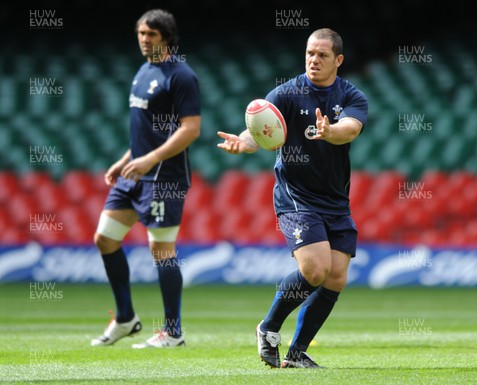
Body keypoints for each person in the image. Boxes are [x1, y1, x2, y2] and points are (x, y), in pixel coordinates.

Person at [217, 28, 368, 368]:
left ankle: (297, 353)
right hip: (296, 197)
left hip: (335, 200)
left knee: (336, 277)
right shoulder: (286, 93)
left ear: (338, 60)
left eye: (322, 55)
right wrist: (244, 142)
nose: (314, 60)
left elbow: (351, 129)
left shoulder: (352, 96)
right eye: (310, 53)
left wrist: (331, 131)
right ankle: (268, 327)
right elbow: (261, 130)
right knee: (314, 268)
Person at [91, 9, 201, 348]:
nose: (143, 39)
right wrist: (124, 160)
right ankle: (126, 319)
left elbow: (191, 129)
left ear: (166, 37)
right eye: (140, 33)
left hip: (162, 176)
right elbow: (145, 130)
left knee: (161, 250)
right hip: (134, 173)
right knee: (105, 238)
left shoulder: (181, 76)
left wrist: (149, 160)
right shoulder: (142, 72)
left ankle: (173, 332)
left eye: (151, 34)